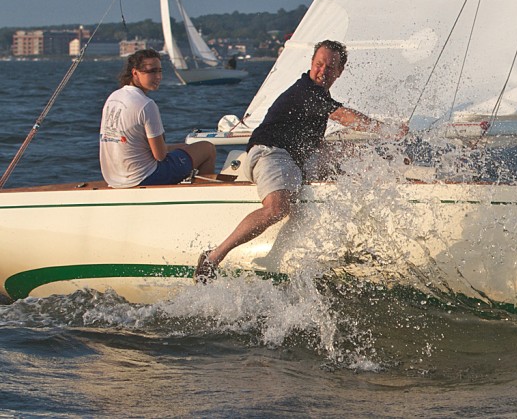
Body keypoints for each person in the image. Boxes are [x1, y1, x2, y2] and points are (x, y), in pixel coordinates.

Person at [195, 39, 400, 282]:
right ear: (311, 63)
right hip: (271, 152)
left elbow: (314, 140)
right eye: (319, 64)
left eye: (330, 67)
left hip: (296, 157)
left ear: (340, 71)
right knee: (278, 208)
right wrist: (386, 130)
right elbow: (343, 116)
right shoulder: (306, 91)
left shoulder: (320, 95)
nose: (323, 71)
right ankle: (213, 257)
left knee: (353, 153)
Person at [100, 49, 216, 188]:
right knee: (207, 148)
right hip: (145, 177)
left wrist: (182, 148)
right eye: (152, 71)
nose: (158, 76)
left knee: (186, 148)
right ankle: (201, 198)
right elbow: (160, 156)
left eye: (160, 71)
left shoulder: (113, 98)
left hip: (114, 179)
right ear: (135, 72)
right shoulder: (146, 104)